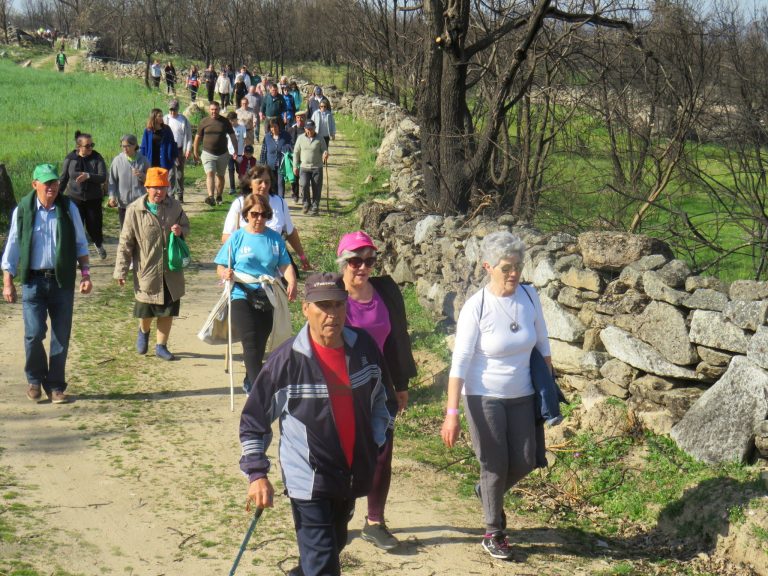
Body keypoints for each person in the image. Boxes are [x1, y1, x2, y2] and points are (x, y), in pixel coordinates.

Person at [239, 272, 390, 576]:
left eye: (337, 305)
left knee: (331, 547)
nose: (331, 314)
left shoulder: (363, 348)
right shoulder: (286, 362)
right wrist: (257, 473)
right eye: (322, 306)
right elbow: (253, 420)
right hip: (308, 481)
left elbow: (382, 400)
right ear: (305, 308)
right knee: (323, 566)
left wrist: (374, 442)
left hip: (350, 475)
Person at [440, 230, 552, 561]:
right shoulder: (477, 306)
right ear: (488, 267)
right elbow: (459, 363)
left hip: (523, 394)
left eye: (518, 265)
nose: (514, 273)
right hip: (483, 395)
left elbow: (542, 343)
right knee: (494, 464)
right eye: (506, 267)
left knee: (527, 460)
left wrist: (549, 386)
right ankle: (494, 531)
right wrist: (451, 413)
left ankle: (487, 494)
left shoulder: (530, 297)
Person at [335, 230, 417, 551]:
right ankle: (340, 507)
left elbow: (399, 338)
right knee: (344, 455)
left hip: (380, 385)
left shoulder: (385, 290)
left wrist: (401, 383)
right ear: (343, 262)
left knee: (382, 455)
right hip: (343, 387)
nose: (363, 267)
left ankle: (374, 522)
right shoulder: (332, 293)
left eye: (369, 261)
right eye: (356, 260)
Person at [2, 163, 93, 404]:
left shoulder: (67, 208)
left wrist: (85, 274)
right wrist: (8, 281)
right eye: (47, 183)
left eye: (54, 182)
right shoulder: (23, 210)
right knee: (33, 334)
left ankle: (55, 386)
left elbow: (81, 244)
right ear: (35, 185)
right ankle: (34, 379)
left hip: (61, 281)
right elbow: (12, 246)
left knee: (61, 336)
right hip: (33, 281)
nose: (52, 187)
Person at [215, 193, 298, 392]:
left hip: (267, 293)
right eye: (254, 214)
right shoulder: (237, 237)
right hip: (240, 293)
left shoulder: (274, 239)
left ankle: (250, 378)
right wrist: (225, 272)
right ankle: (259, 392)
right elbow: (220, 264)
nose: (258, 218)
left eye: (263, 214)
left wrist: (292, 281)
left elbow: (285, 265)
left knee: (261, 340)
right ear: (246, 215)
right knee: (250, 339)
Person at [114, 167, 189, 361]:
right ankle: (143, 331)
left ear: (168, 187)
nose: (159, 192)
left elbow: (187, 227)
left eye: (163, 187)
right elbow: (125, 243)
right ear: (146, 187)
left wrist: (180, 230)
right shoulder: (135, 210)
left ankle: (161, 346)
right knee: (146, 308)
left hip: (170, 270)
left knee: (168, 308)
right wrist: (120, 271)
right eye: (155, 188)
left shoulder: (175, 207)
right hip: (146, 271)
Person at [221, 165, 311, 271]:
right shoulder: (240, 204)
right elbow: (227, 237)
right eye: (259, 182)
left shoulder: (279, 203)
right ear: (250, 183)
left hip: (275, 261)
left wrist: (302, 257)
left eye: (267, 182)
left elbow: (290, 233)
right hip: (247, 262)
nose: (264, 186)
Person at [60, 130, 108, 260]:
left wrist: (88, 176)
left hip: (93, 199)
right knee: (76, 228)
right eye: (87, 146)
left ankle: (98, 244)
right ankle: (77, 256)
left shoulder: (97, 157)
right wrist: (57, 195)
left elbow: (102, 177)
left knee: (94, 226)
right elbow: (64, 178)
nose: (91, 148)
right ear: (78, 146)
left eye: (92, 145)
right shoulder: (70, 158)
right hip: (74, 198)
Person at [193, 101, 238, 206]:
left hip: (222, 153)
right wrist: (195, 152)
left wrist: (236, 150)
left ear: (219, 109)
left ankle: (219, 195)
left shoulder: (225, 122)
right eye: (212, 109)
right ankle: (210, 196)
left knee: (220, 176)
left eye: (216, 109)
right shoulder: (204, 122)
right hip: (208, 153)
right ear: (209, 110)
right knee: (210, 173)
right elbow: (197, 138)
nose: (214, 112)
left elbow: (232, 136)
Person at [108, 134, 149, 229]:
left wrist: (142, 176)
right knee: (125, 231)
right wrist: (112, 196)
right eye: (123, 146)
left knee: (140, 230)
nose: (125, 149)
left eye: (128, 146)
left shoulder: (143, 160)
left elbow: (150, 181)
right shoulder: (117, 161)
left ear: (135, 145)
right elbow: (112, 181)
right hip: (123, 203)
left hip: (140, 203)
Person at [293, 120, 328, 216]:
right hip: (304, 167)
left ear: (314, 128)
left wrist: (325, 153)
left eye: (311, 129)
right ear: (305, 129)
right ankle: (306, 203)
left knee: (316, 187)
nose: (309, 131)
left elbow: (324, 149)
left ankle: (315, 205)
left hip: (317, 167)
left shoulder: (320, 138)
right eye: (308, 129)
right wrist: (295, 166)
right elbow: (296, 152)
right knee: (304, 185)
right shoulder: (300, 138)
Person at [164, 99, 193, 203]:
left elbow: (189, 136)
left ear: (178, 109)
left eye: (174, 110)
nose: (172, 112)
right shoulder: (165, 119)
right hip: (169, 150)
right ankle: (171, 196)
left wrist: (188, 149)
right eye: (171, 110)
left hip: (180, 149)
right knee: (170, 174)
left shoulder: (183, 120)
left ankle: (180, 195)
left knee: (180, 174)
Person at [260, 119, 292, 198]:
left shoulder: (286, 135)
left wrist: (287, 148)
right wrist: (262, 164)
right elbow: (263, 151)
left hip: (282, 164)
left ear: (279, 126)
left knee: (280, 183)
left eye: (275, 126)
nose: (273, 129)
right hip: (270, 165)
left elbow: (291, 146)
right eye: (271, 127)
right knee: (272, 184)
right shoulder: (267, 137)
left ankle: (281, 200)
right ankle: (273, 200)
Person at [287, 111, 307, 202]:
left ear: (305, 118)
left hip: (304, 157)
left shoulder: (307, 130)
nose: (300, 119)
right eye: (298, 118)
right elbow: (288, 143)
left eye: (302, 117)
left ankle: (304, 194)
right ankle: (295, 194)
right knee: (294, 177)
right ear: (296, 118)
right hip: (293, 156)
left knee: (304, 177)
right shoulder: (291, 130)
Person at [226, 111, 246, 196]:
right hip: (230, 153)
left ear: (236, 119)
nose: (231, 122)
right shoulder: (227, 129)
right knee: (231, 170)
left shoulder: (242, 128)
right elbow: (226, 141)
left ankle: (243, 187)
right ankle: (232, 188)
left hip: (240, 153)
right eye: (229, 121)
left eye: (232, 120)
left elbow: (244, 140)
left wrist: (243, 152)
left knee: (240, 171)